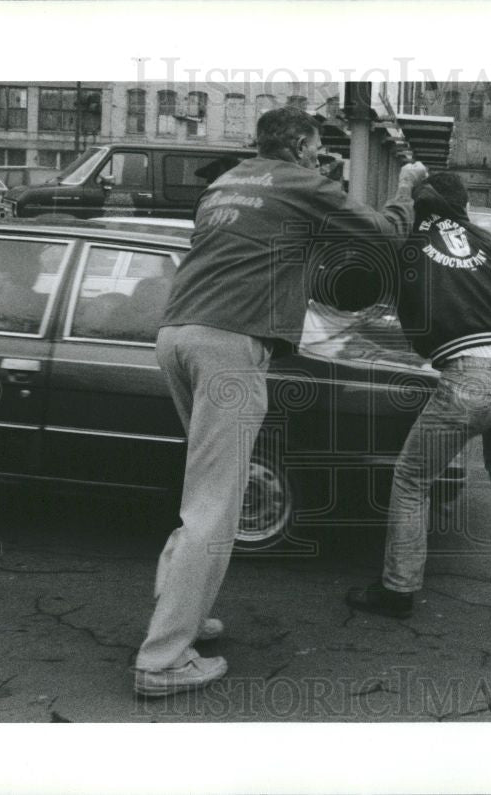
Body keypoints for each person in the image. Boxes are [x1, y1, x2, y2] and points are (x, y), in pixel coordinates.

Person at [134, 106, 428, 697]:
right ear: (296, 145)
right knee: (216, 505)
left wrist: (324, 193)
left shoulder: (229, 181)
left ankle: (181, 610)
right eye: (317, 150)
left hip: (177, 336)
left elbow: (271, 243)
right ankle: (163, 660)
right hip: (228, 344)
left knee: (204, 491)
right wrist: (404, 189)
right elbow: (385, 233)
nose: (320, 159)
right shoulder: (297, 181)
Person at [345, 172, 491, 620]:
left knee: (411, 480)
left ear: (419, 205)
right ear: (463, 205)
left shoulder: (408, 248)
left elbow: (402, 322)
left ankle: (398, 589)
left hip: (467, 378)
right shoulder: (489, 239)